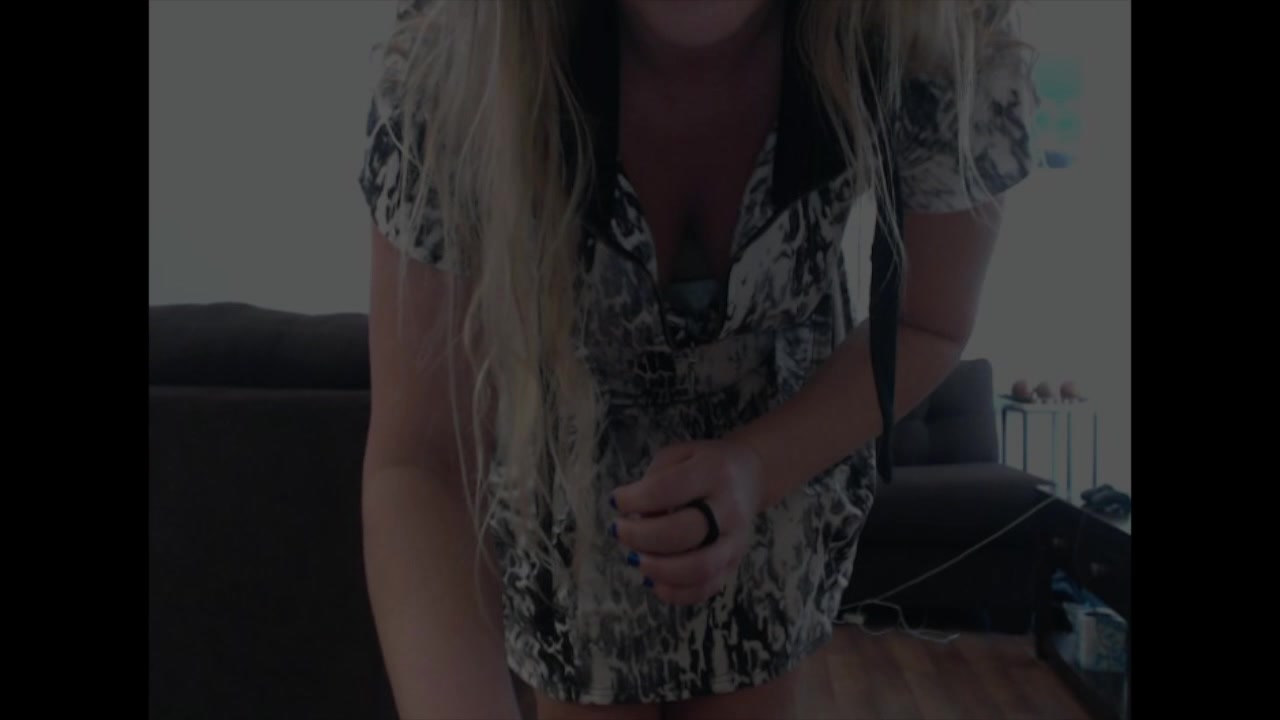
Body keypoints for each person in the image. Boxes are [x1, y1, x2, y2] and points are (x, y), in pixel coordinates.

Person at [358, 1, 1037, 718]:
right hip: (565, 514)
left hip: (777, 495)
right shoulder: (455, 53)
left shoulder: (939, 31)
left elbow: (927, 323)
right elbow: (421, 461)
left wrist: (760, 465)